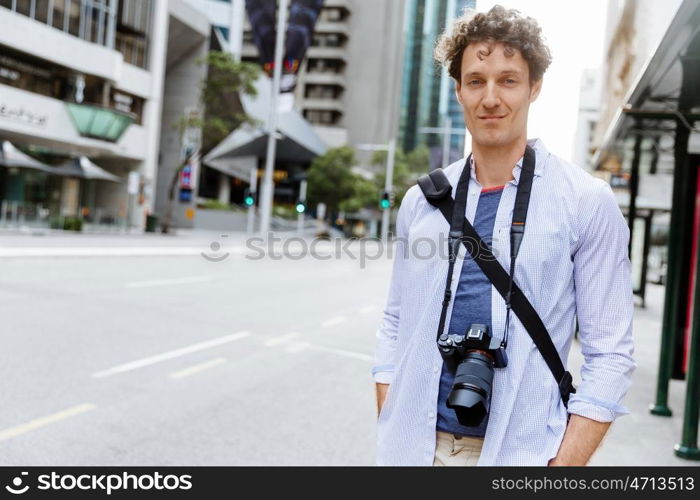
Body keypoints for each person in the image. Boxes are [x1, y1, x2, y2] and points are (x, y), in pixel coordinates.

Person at [372, 5, 635, 466]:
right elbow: (395, 323)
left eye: (508, 80)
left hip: (522, 456)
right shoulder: (422, 201)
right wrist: (392, 414)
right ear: (458, 91)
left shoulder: (586, 202)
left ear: (535, 87)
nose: (490, 97)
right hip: (412, 452)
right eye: (476, 80)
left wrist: (564, 467)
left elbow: (610, 354)